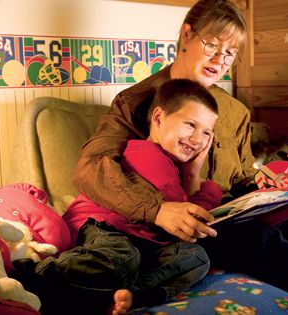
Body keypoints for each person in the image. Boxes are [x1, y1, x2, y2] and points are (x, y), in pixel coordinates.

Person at [41, 0, 288, 315]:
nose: (221, 59)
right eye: (212, 45)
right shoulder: (138, 103)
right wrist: (157, 209)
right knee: (252, 235)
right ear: (187, 34)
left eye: (231, 52)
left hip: (224, 208)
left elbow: (237, 176)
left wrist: (261, 183)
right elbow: (89, 168)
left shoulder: (233, 111)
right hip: (175, 224)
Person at [58, 78, 222, 314]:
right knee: (124, 256)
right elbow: (186, 224)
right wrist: (203, 184)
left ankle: (133, 296)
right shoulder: (148, 155)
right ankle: (39, 275)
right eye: (190, 125)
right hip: (101, 230)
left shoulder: (173, 165)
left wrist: (191, 173)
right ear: (157, 118)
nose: (197, 139)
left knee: (196, 257)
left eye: (206, 132)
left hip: (138, 242)